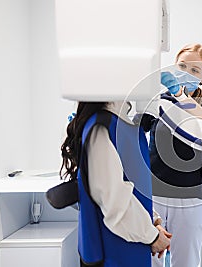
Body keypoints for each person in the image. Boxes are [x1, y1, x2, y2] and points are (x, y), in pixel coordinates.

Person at [60, 101, 172, 267]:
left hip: (132, 248)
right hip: (115, 253)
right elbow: (115, 203)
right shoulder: (101, 127)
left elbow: (134, 188)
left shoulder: (123, 124)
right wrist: (152, 236)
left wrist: (153, 222)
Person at [138, 43, 202, 267]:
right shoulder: (159, 101)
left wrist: (180, 94)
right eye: (182, 66)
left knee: (187, 263)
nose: (185, 73)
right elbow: (131, 128)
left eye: (194, 70)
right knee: (150, 262)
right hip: (153, 196)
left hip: (189, 198)